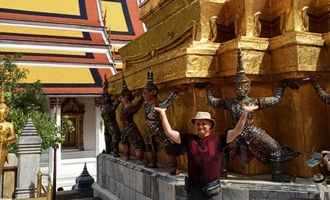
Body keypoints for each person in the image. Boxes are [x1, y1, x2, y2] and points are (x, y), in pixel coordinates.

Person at [154, 105, 257, 200]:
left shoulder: (219, 139)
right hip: (194, 189)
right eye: (198, 124)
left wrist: (245, 113)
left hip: (212, 188)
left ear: (210, 125)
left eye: (204, 124)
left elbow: (237, 131)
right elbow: (169, 132)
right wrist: (163, 113)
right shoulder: (189, 139)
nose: (200, 126)